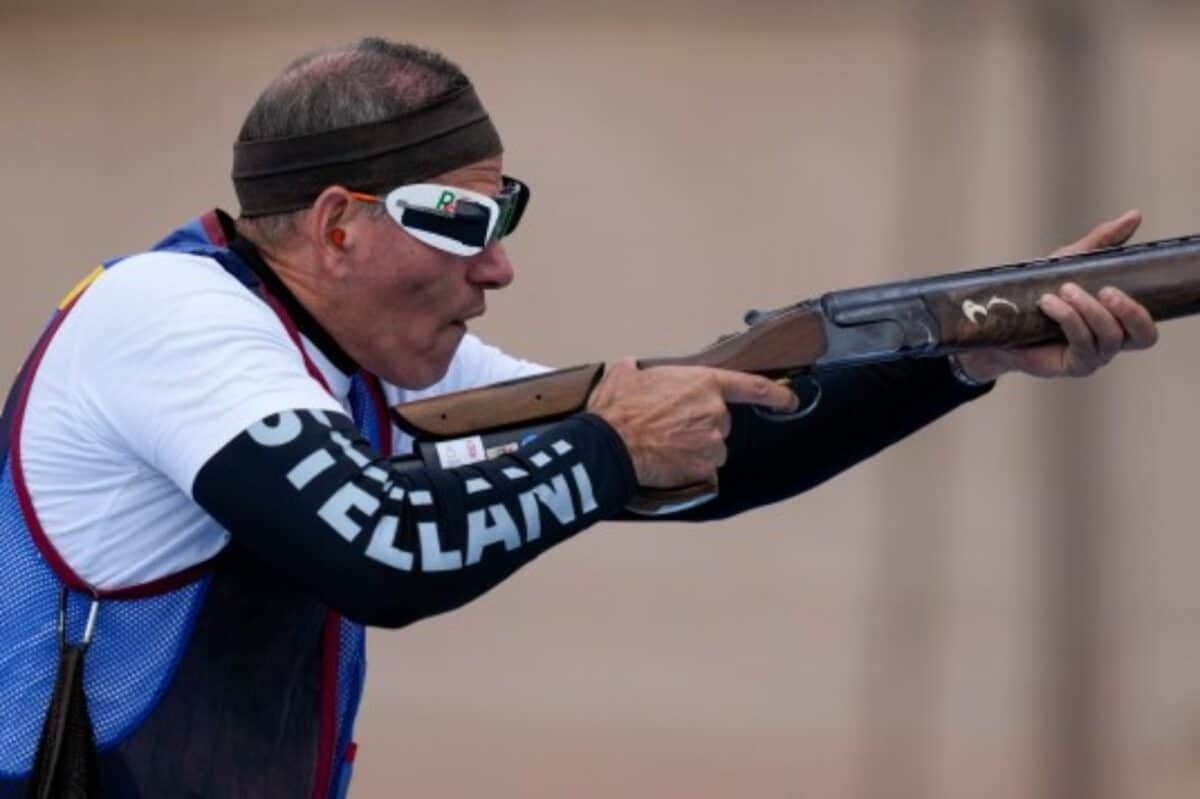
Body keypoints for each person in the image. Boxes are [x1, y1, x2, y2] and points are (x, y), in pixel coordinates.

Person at [0, 37, 1157, 797]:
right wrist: (607, 446)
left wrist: (966, 354)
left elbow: (716, 443)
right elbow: (383, 552)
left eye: (505, 215)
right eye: (462, 220)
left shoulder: (356, 361)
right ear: (341, 226)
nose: (498, 266)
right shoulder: (170, 315)